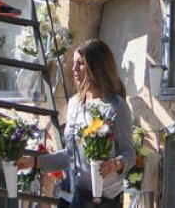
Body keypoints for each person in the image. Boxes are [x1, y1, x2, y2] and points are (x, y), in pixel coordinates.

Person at [20, 39, 136, 207]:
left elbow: (129, 153)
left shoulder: (116, 105)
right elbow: (71, 155)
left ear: (97, 67)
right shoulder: (75, 103)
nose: (74, 69)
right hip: (74, 197)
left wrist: (116, 163)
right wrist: (35, 162)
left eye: (80, 64)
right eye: (74, 63)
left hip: (104, 200)